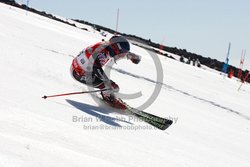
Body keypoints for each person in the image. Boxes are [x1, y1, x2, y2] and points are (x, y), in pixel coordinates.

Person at [70, 35, 141, 109]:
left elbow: (119, 49)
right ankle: (109, 100)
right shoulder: (102, 54)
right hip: (78, 73)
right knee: (107, 85)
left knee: (109, 84)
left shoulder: (108, 46)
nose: (121, 56)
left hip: (81, 67)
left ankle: (107, 94)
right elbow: (96, 68)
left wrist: (131, 56)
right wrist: (108, 83)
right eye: (121, 54)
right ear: (115, 50)